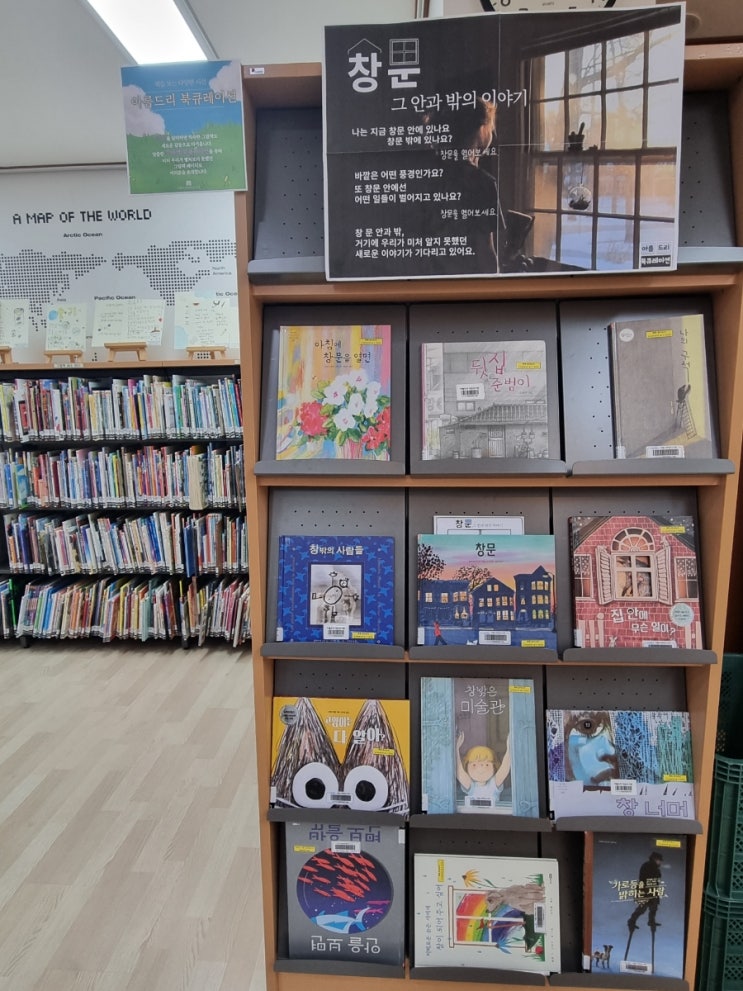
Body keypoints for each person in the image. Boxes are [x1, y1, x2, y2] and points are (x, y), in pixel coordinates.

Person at [456, 731, 511, 809]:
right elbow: (459, 771)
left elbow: (505, 768)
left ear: (494, 767)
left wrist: (509, 748)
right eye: (474, 765)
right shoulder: (471, 786)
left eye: (487, 765)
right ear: (466, 767)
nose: (481, 768)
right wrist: (456, 749)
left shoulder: (493, 784)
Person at [627, 851, 664, 932]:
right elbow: (645, 878)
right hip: (645, 890)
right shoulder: (648, 866)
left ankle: (651, 921)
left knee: (653, 907)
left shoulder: (654, 868)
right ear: (655, 859)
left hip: (651, 890)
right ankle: (632, 921)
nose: (660, 862)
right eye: (659, 860)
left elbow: (655, 881)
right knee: (642, 908)